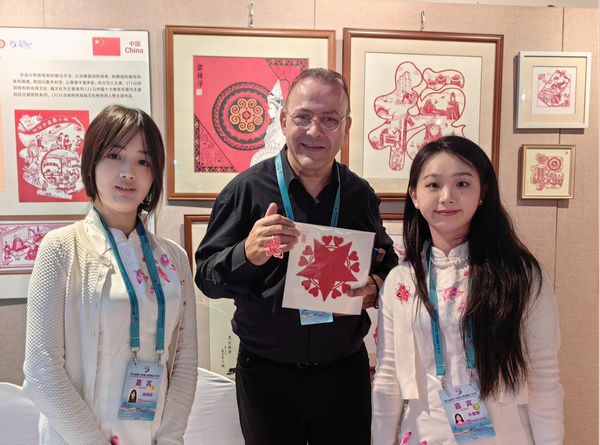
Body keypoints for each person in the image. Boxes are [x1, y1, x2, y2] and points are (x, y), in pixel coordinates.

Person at [195, 68, 398, 445]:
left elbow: (388, 262)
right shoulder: (245, 191)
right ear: (284, 120)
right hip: (267, 377)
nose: (314, 131)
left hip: (343, 374)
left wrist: (376, 285)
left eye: (329, 119)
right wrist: (247, 254)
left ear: (346, 127)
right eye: (303, 117)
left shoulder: (359, 196)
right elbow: (206, 277)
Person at [23, 105, 198, 445]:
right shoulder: (61, 248)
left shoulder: (174, 259)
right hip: (78, 438)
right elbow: (41, 370)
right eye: (115, 156)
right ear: (91, 162)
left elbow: (185, 361)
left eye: (143, 161)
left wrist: (170, 438)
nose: (129, 172)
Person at [372, 136, 564, 444]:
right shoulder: (400, 281)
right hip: (425, 433)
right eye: (433, 185)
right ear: (415, 195)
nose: (447, 197)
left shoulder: (520, 275)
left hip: (504, 435)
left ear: (482, 192)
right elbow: (388, 377)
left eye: (462, 184)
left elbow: (543, 376)